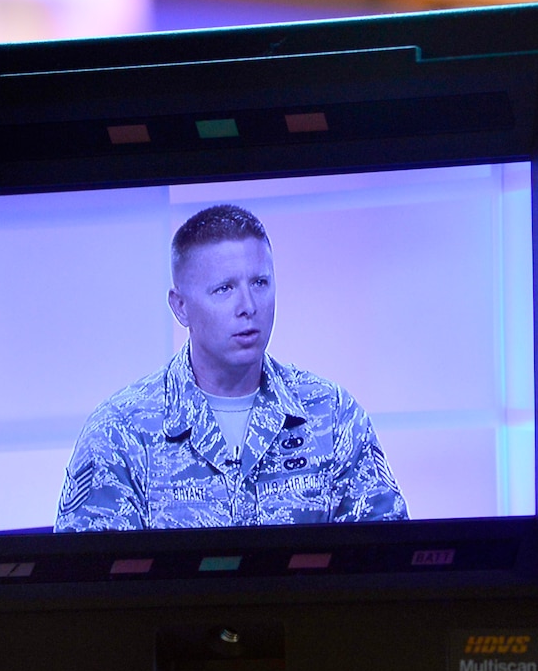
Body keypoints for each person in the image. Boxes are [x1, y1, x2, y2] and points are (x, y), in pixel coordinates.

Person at [56, 203, 407, 531]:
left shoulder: (331, 415)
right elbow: (88, 582)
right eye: (224, 289)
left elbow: (387, 562)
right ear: (180, 307)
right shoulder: (121, 431)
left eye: (259, 283)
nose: (248, 306)